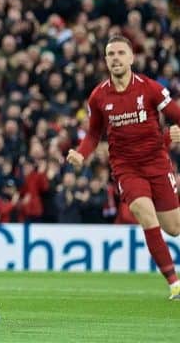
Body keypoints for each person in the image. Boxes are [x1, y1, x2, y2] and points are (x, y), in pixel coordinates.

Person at [67, 35, 180, 300]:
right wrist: (81, 154)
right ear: (106, 61)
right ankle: (174, 283)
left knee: (173, 228)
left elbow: (176, 116)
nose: (115, 58)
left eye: (120, 53)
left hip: (157, 161)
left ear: (131, 58)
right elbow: (94, 134)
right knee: (145, 215)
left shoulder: (149, 88)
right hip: (126, 167)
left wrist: (174, 133)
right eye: (110, 54)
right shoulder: (98, 96)